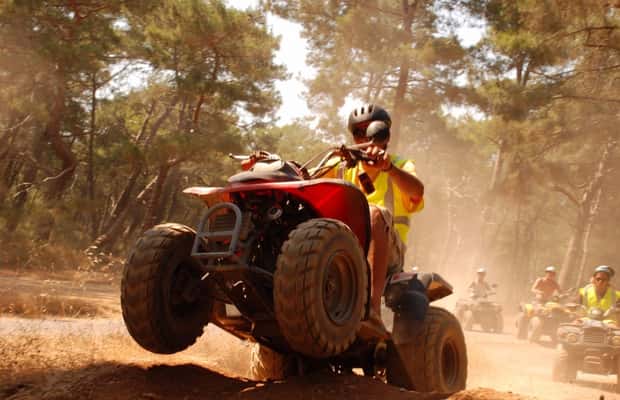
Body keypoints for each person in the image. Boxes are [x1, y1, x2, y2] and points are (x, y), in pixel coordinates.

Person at [325, 104, 424, 332]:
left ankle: (371, 311)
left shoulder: (401, 166)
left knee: (374, 213)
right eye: (358, 132)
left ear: (384, 135)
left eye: (371, 131)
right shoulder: (339, 165)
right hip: (343, 246)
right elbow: (303, 180)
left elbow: (417, 192)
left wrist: (389, 168)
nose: (365, 138)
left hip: (390, 254)